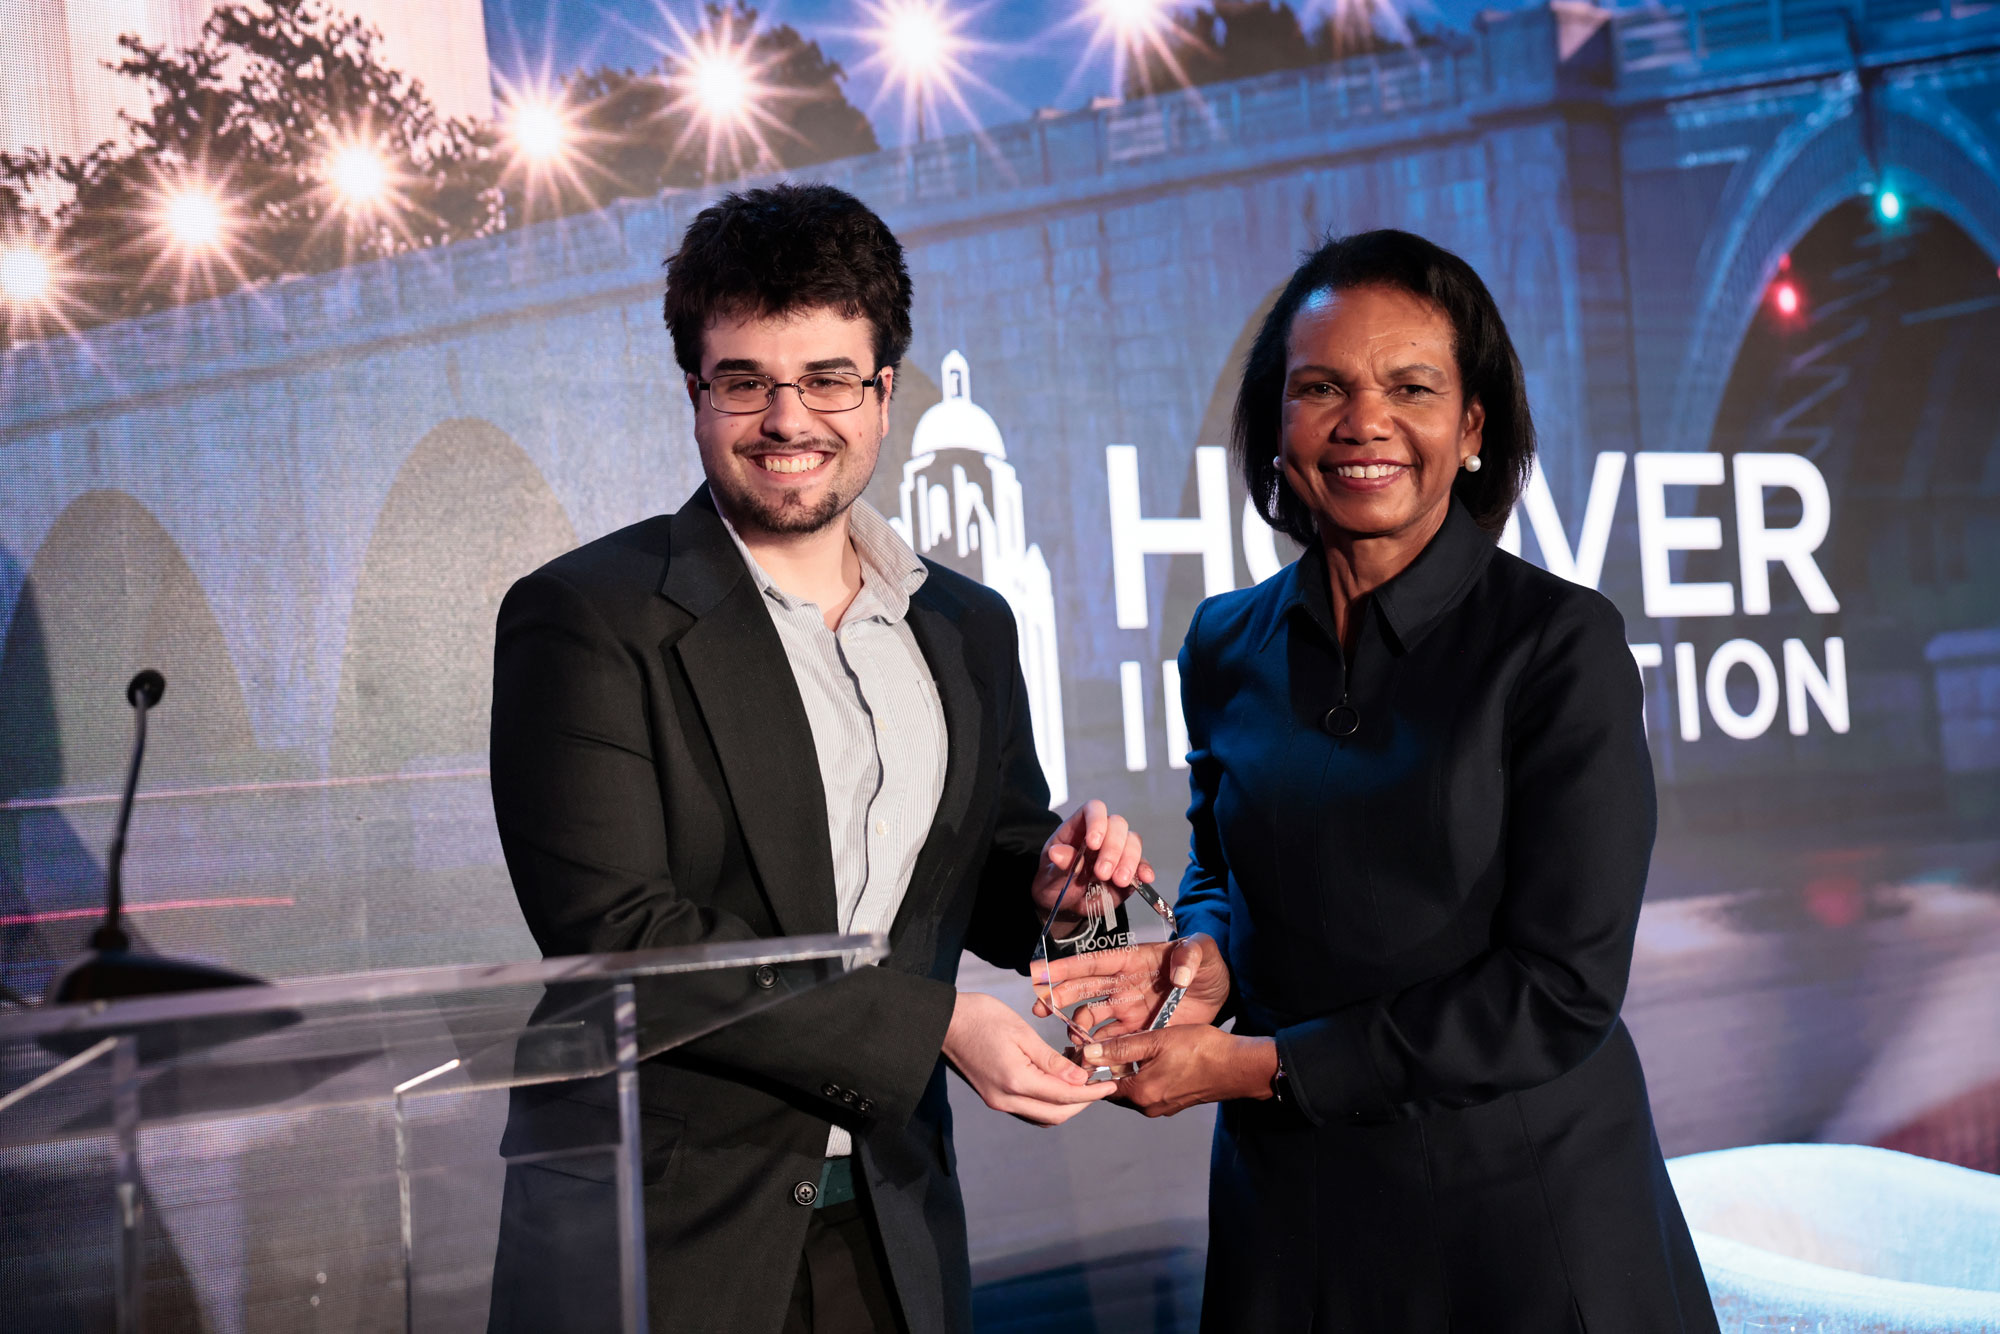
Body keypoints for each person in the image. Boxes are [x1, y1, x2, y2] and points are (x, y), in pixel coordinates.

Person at [486, 182, 1152, 1334]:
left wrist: (1054, 886)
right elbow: (621, 936)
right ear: (694, 390)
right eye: (744, 380)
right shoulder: (585, 616)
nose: (788, 418)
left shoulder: (966, 623)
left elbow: (983, 869)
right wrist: (933, 1025)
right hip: (665, 1230)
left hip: (891, 1220)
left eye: (828, 378)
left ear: (884, 392)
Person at [1038, 229, 1718, 1331]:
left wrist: (1252, 1064)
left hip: (1520, 1222)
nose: (1364, 423)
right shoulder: (1222, 642)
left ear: (1471, 428)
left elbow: (1558, 990)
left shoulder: (1557, 644)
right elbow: (1221, 864)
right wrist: (1201, 959)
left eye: (1411, 386)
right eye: (1321, 387)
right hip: (1291, 1220)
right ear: (1273, 425)